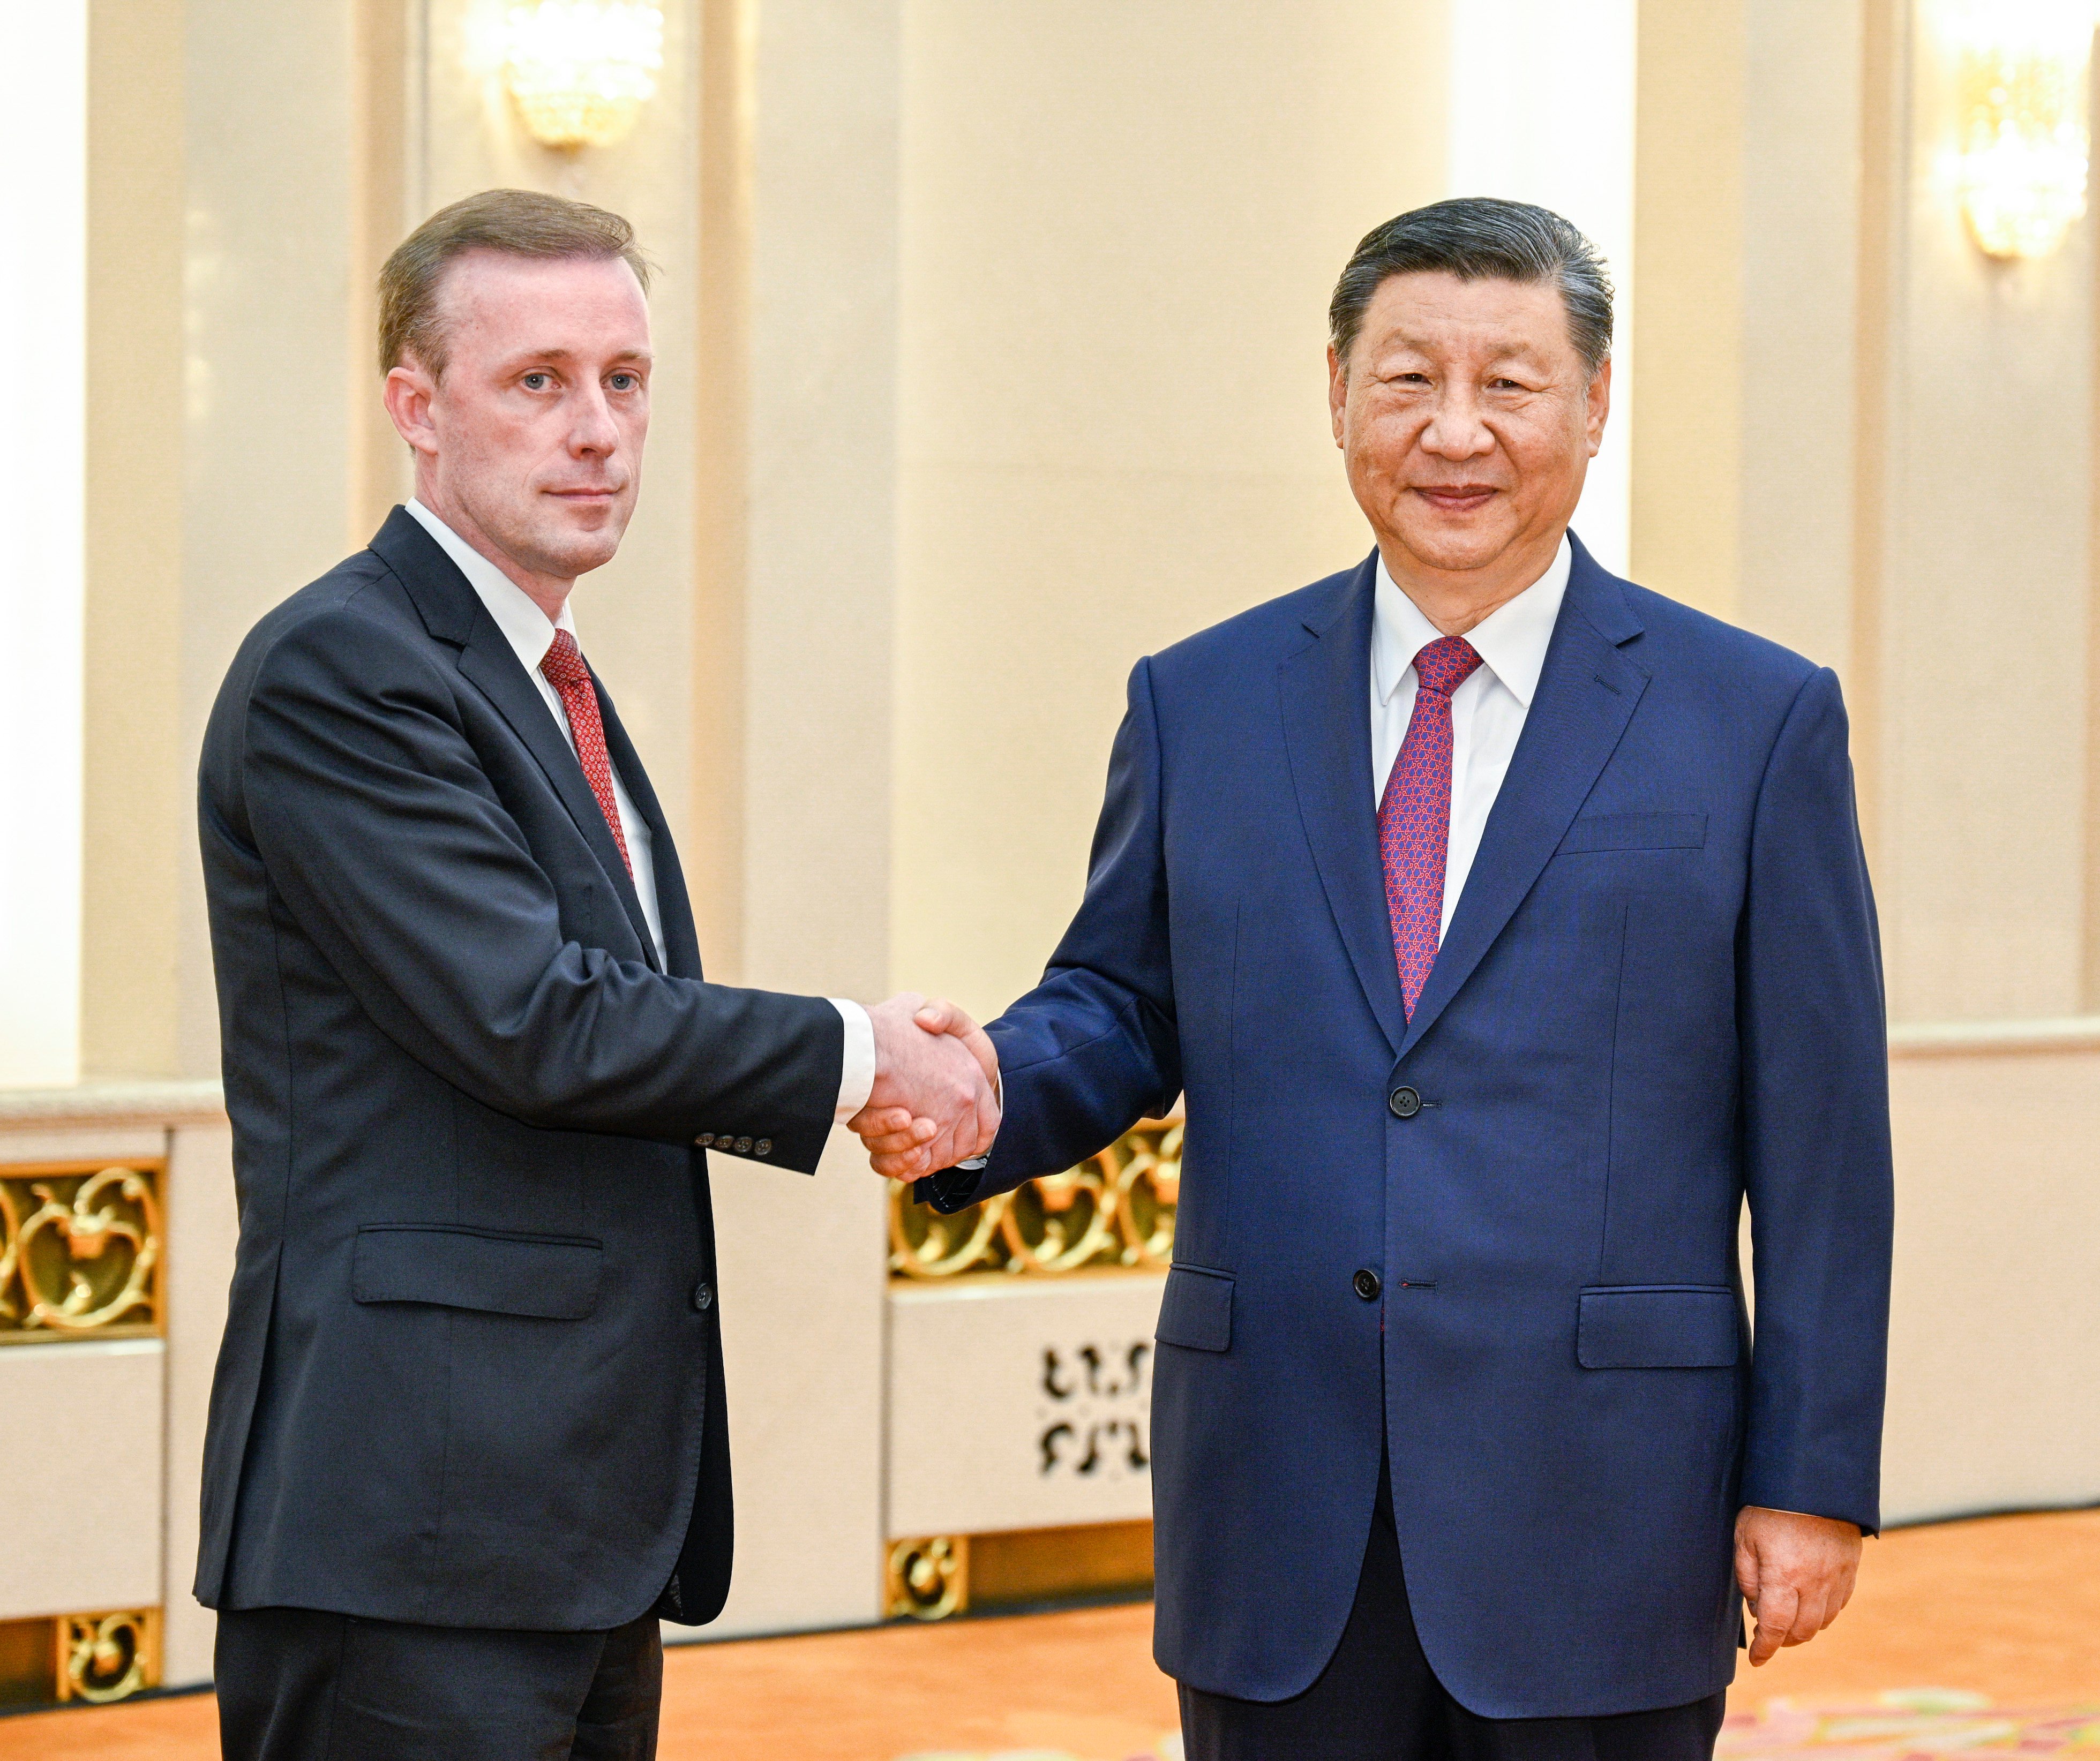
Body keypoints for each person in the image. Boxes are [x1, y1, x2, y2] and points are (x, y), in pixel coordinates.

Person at [857, 198, 1893, 1760]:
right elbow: (1125, 1005)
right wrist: (986, 1089)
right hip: (1282, 1504)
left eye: (1511, 383)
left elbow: (1822, 1144)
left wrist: (1809, 1474)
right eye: (1407, 380)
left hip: (1604, 1509)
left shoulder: (1754, 722)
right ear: (1336, 391)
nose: (1455, 432)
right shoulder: (1201, 701)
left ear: (1596, 404)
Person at [195, 188, 996, 1761]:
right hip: (409, 1534)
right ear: (415, 410)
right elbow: (535, 1021)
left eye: (626, 381)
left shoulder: (541, 671)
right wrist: (862, 1057)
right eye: (539, 381)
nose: (599, 433)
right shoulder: (342, 668)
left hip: (565, 1530)